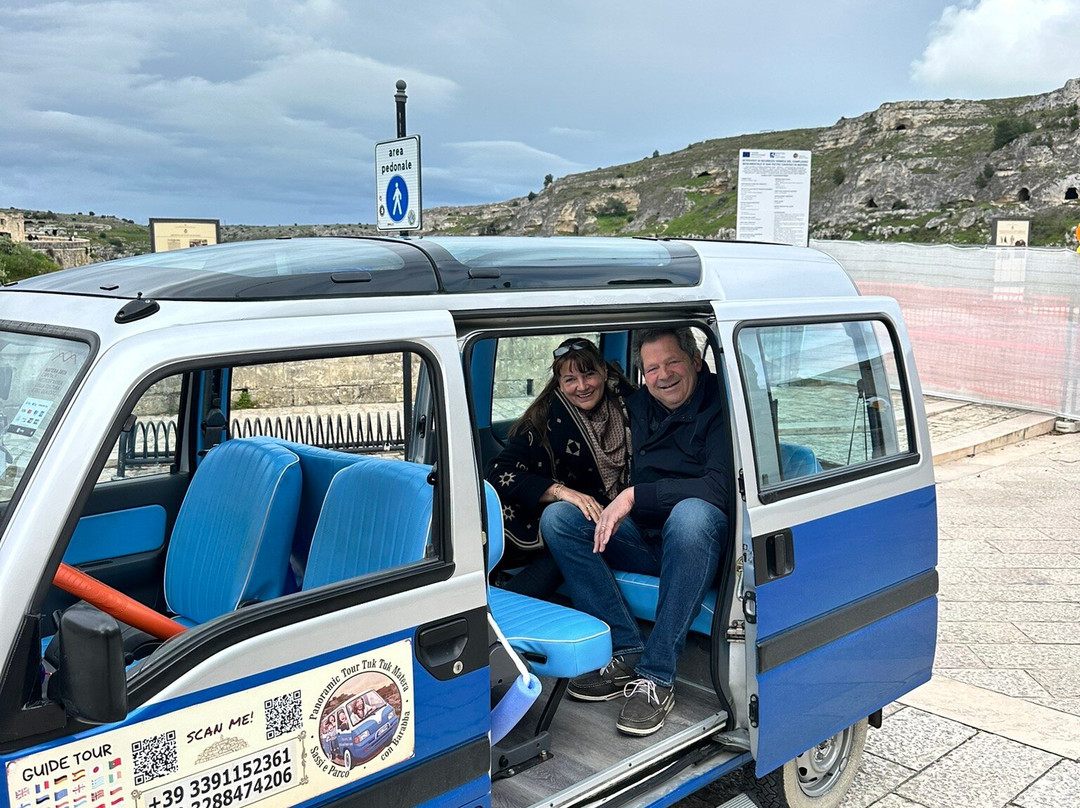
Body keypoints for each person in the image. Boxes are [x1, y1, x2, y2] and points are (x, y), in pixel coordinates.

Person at [541, 327, 730, 736]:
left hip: (699, 546)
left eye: (672, 362)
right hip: (646, 538)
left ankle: (657, 676)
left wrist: (632, 496)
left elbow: (720, 487)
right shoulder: (637, 404)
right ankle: (626, 648)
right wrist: (560, 487)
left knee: (691, 515)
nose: (663, 375)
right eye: (652, 368)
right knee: (560, 520)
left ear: (696, 361)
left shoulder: (723, 401)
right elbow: (585, 402)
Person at [486, 337, 633, 598]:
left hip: (629, 517)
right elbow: (498, 473)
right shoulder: (544, 419)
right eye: (570, 379)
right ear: (560, 383)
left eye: (589, 375)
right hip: (572, 522)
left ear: (603, 371)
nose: (582, 386)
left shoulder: (631, 405)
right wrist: (561, 492)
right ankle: (499, 611)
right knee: (564, 529)